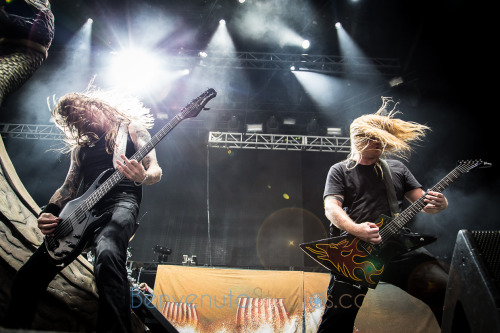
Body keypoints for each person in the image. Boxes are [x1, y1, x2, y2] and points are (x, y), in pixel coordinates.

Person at [3, 88, 162, 333]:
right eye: (75, 121)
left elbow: (155, 170)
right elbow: (68, 187)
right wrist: (49, 212)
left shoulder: (131, 129)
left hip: (121, 203)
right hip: (81, 213)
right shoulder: (81, 149)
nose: (83, 122)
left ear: (97, 105)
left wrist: (142, 176)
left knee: (108, 255)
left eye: (82, 114)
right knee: (27, 278)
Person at [317, 98, 449, 332]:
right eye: (372, 138)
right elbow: (331, 209)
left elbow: (424, 202)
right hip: (357, 252)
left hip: (398, 247)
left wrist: (439, 203)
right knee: (337, 319)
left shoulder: (397, 168)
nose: (378, 142)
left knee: (446, 290)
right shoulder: (339, 170)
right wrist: (358, 230)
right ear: (357, 140)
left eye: (381, 138)